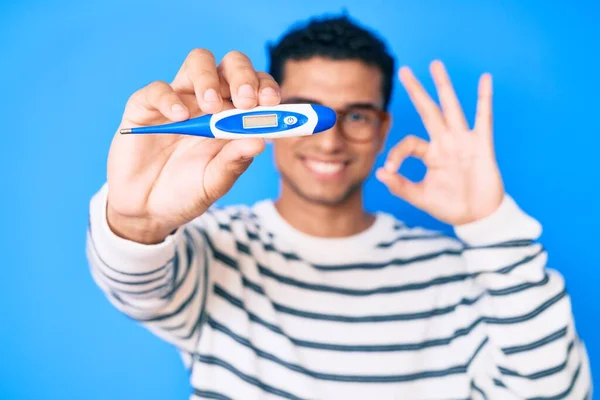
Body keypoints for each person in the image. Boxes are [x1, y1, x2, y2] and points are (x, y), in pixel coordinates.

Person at [85, 14, 592, 400]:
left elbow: (555, 393)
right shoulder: (216, 249)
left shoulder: (464, 273)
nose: (329, 142)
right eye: (306, 115)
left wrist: (492, 229)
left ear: (383, 130)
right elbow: (136, 285)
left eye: (355, 115)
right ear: (269, 115)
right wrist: (138, 221)